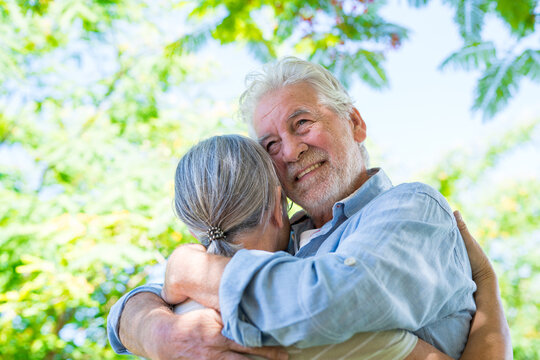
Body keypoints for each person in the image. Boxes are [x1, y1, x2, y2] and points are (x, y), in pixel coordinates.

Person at [107, 57, 512, 359]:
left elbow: (332, 302)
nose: (292, 149)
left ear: (355, 122)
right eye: (271, 145)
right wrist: (152, 328)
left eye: (301, 123)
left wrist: (193, 271)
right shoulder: (277, 243)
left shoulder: (411, 209)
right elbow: (151, 302)